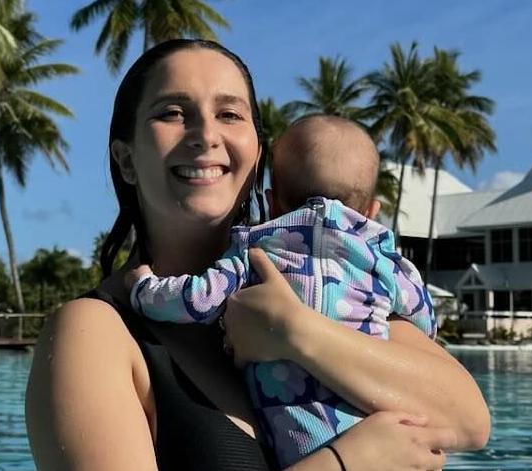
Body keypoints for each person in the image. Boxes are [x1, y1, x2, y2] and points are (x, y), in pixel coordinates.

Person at [25, 39, 489, 471]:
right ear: (125, 159)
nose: (205, 134)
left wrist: (296, 331)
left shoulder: (330, 288)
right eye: (172, 112)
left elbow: (469, 421)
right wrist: (344, 463)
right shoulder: (93, 332)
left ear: (257, 154)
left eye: (229, 114)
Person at [125, 114, 435, 467]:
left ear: (272, 203)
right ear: (372, 210)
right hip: (377, 430)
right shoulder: (386, 264)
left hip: (299, 442)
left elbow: (197, 300)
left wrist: (143, 288)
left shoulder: (258, 251)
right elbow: (425, 321)